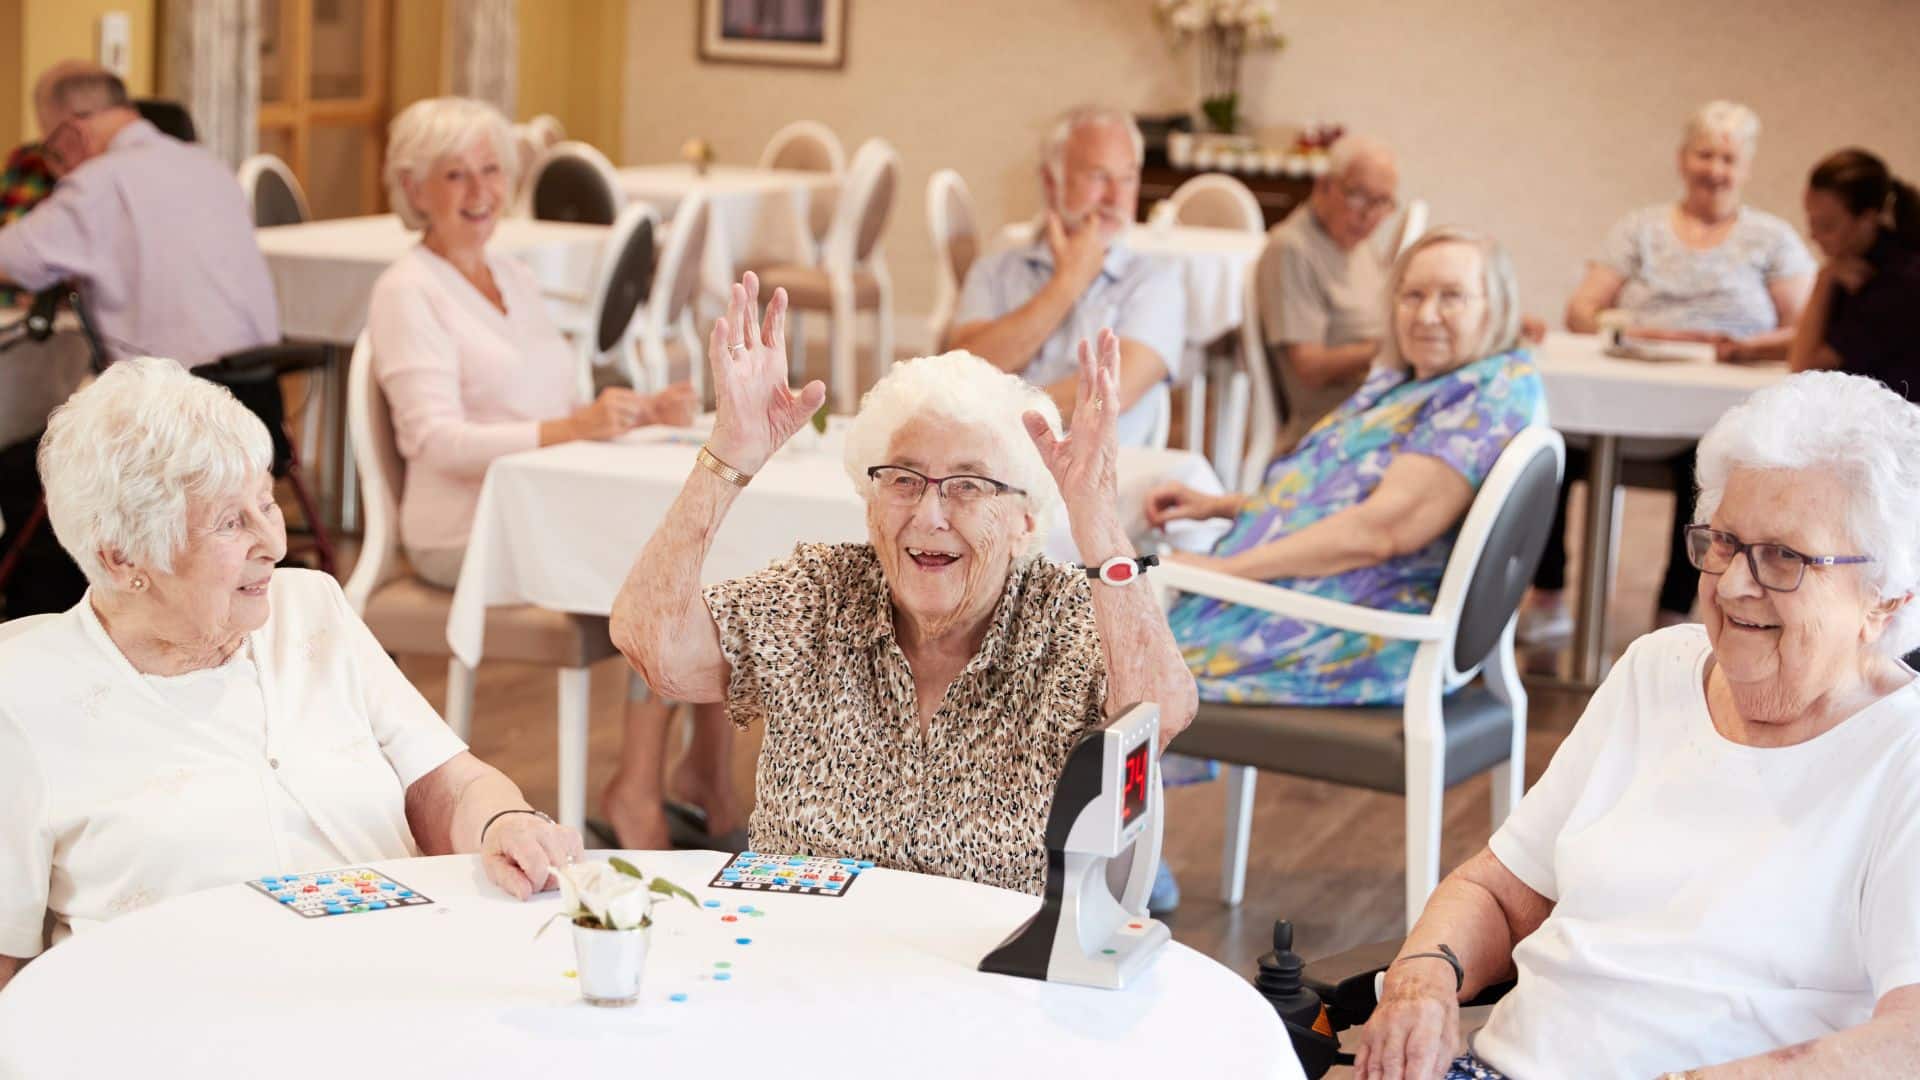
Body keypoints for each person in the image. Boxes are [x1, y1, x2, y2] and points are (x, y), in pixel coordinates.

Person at [1356, 371, 1920, 1079]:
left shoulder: (1903, 754)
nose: (1736, 584)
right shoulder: (1656, 671)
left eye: (1785, 557)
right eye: (1725, 542)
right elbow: (1499, 892)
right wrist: (1423, 981)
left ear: (1886, 601)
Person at [0, 359, 583, 994]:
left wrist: (504, 824)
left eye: (266, 502)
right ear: (123, 557)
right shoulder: (25, 694)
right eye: (230, 523)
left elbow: (445, 783)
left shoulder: (312, 609)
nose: (273, 543)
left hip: (399, 990)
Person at [610, 272, 1196, 895]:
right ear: (870, 502)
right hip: (801, 958)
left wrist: (1100, 525)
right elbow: (653, 646)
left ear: (1026, 519)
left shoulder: (1064, 615)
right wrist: (730, 454)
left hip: (983, 972)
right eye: (904, 480)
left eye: (968, 485)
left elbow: (1160, 717)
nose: (929, 514)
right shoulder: (820, 594)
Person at [364, 96, 711, 851]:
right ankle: (636, 798)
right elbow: (432, 441)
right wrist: (570, 428)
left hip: (545, 514)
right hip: (463, 530)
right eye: (453, 175)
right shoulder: (407, 291)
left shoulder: (513, 276)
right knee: (667, 575)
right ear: (413, 188)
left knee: (702, 561)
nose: (479, 191)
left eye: (490, 170)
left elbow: (557, 401)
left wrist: (636, 409)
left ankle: (699, 778)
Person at [1147, 227, 1540, 705]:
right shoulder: (1418, 383)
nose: (1427, 315)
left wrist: (1225, 569)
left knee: (1114, 663)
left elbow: (1382, 531)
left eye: (1452, 297)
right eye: (1412, 295)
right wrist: (1219, 506)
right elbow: (1339, 497)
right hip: (1303, 598)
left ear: (1494, 307)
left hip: (1353, 627)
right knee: (1092, 637)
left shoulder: (1484, 395)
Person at [1526, 100, 1816, 641]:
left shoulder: (1772, 240)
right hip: (1623, 396)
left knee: (1710, 462)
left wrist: (1738, 347)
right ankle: (1548, 593)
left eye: (1728, 158)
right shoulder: (1638, 228)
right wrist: (1655, 334)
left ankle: (1674, 612)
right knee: (1547, 442)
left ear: (1745, 167)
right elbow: (1581, 311)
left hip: (1716, 410)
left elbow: (1803, 328)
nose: (1715, 169)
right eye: (1705, 154)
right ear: (1683, 160)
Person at [0, 66, 278, 366]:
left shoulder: (100, 182)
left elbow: (9, 259)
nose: (53, 164)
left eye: (50, 149)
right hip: (260, 388)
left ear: (73, 132)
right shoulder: (210, 165)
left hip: (177, 398)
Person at [948, 105, 1184, 447]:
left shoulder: (1157, 280)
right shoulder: (996, 270)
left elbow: (1113, 394)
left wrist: (1001, 420)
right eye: (1099, 177)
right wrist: (1068, 283)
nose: (1116, 198)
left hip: (1102, 483)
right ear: (1050, 181)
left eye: (1128, 177)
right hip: (994, 473)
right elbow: (963, 370)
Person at [1255, 134, 1400, 455]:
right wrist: (1387, 347)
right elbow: (1308, 368)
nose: (1369, 216)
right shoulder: (1293, 249)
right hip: (1335, 424)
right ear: (1323, 186)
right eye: (1358, 196)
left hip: (1380, 404)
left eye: (1382, 202)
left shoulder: (1358, 244)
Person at [1787, 148, 1920, 396]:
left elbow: (1803, 368)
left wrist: (1824, 278)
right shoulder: (1858, 260)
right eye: (1811, 221)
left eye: (1827, 226)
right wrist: (1747, 349)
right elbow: (1823, 338)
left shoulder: (1898, 284)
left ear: (1867, 219)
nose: (1813, 235)